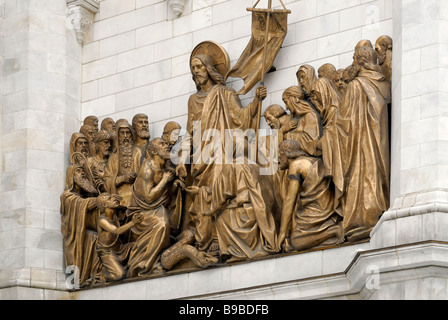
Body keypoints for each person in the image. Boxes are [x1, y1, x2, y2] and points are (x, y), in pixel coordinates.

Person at [179, 53, 267, 254]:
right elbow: (189, 132)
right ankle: (207, 239)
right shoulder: (193, 100)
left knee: (220, 192)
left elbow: (241, 118)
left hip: (221, 151)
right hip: (203, 156)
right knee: (205, 194)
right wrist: (181, 161)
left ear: (209, 68)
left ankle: (221, 239)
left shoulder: (225, 94)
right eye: (193, 68)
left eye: (199, 67)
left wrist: (256, 100)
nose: (196, 72)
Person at [341, 46, 391, 242]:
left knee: (362, 175)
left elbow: (345, 120)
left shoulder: (356, 85)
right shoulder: (383, 82)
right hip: (379, 141)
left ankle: (361, 218)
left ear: (360, 61)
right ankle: (376, 207)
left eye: (354, 59)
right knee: (374, 173)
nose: (352, 63)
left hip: (360, 141)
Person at [126, 138, 182, 277]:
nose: (167, 146)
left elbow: (164, 197)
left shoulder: (165, 168)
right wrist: (164, 181)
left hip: (155, 208)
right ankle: (144, 265)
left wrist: (174, 187)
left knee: (164, 216)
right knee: (161, 224)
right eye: (162, 144)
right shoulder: (147, 169)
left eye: (166, 143)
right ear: (153, 151)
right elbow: (149, 197)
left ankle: (159, 257)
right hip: (141, 213)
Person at [277, 140, 343, 252]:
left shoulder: (296, 165)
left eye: (279, 154)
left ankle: (334, 230)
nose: (277, 159)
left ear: (286, 153)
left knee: (297, 242)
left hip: (316, 214)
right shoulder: (315, 160)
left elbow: (289, 201)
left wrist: (281, 234)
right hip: (328, 211)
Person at [60, 164, 102, 286]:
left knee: (98, 239)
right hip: (74, 238)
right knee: (92, 238)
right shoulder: (67, 196)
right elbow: (82, 204)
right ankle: (79, 279)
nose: (82, 174)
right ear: (71, 176)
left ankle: (94, 276)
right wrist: (98, 199)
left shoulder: (84, 196)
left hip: (85, 234)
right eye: (78, 171)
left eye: (83, 171)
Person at [96, 193, 143, 282]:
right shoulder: (102, 221)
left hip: (119, 249)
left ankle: (134, 268)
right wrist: (133, 223)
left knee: (138, 245)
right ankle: (103, 274)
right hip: (107, 252)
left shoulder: (114, 215)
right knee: (119, 275)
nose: (113, 199)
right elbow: (116, 231)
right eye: (110, 199)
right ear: (105, 205)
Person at [103, 120, 142, 208]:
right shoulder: (113, 157)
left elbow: (145, 174)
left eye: (127, 133)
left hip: (136, 194)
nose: (125, 136)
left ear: (131, 135)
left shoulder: (137, 152)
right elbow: (106, 182)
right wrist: (122, 178)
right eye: (122, 133)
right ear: (118, 136)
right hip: (118, 196)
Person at [282, 86, 322, 157]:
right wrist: (283, 130)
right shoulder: (293, 118)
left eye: (286, 102)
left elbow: (311, 144)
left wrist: (288, 136)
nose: (286, 107)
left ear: (293, 99)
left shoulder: (310, 115)